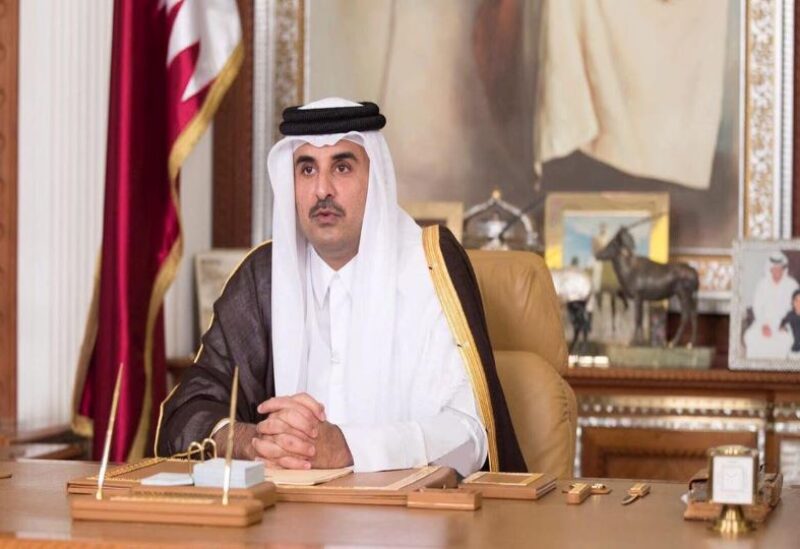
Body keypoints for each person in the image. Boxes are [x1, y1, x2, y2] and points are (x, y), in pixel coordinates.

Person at [156, 98, 526, 476]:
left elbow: (469, 434)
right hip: (287, 526)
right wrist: (252, 442)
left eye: (343, 167)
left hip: (405, 524)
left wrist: (350, 448)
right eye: (306, 169)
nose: (322, 190)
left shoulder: (430, 267)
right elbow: (190, 409)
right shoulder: (263, 278)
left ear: (376, 177)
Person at [743, 252, 798, 359]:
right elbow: (757, 307)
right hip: (763, 322)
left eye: (780, 269)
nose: (777, 272)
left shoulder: (792, 285)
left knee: (785, 340)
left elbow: (796, 309)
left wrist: (785, 324)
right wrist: (764, 325)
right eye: (774, 269)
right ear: (770, 269)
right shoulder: (762, 284)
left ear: (784, 270)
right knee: (750, 336)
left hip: (785, 324)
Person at [780, 289, 800, 355]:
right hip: (794, 348)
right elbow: (783, 322)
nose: (798, 303)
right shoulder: (790, 315)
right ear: (792, 302)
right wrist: (783, 327)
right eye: (796, 300)